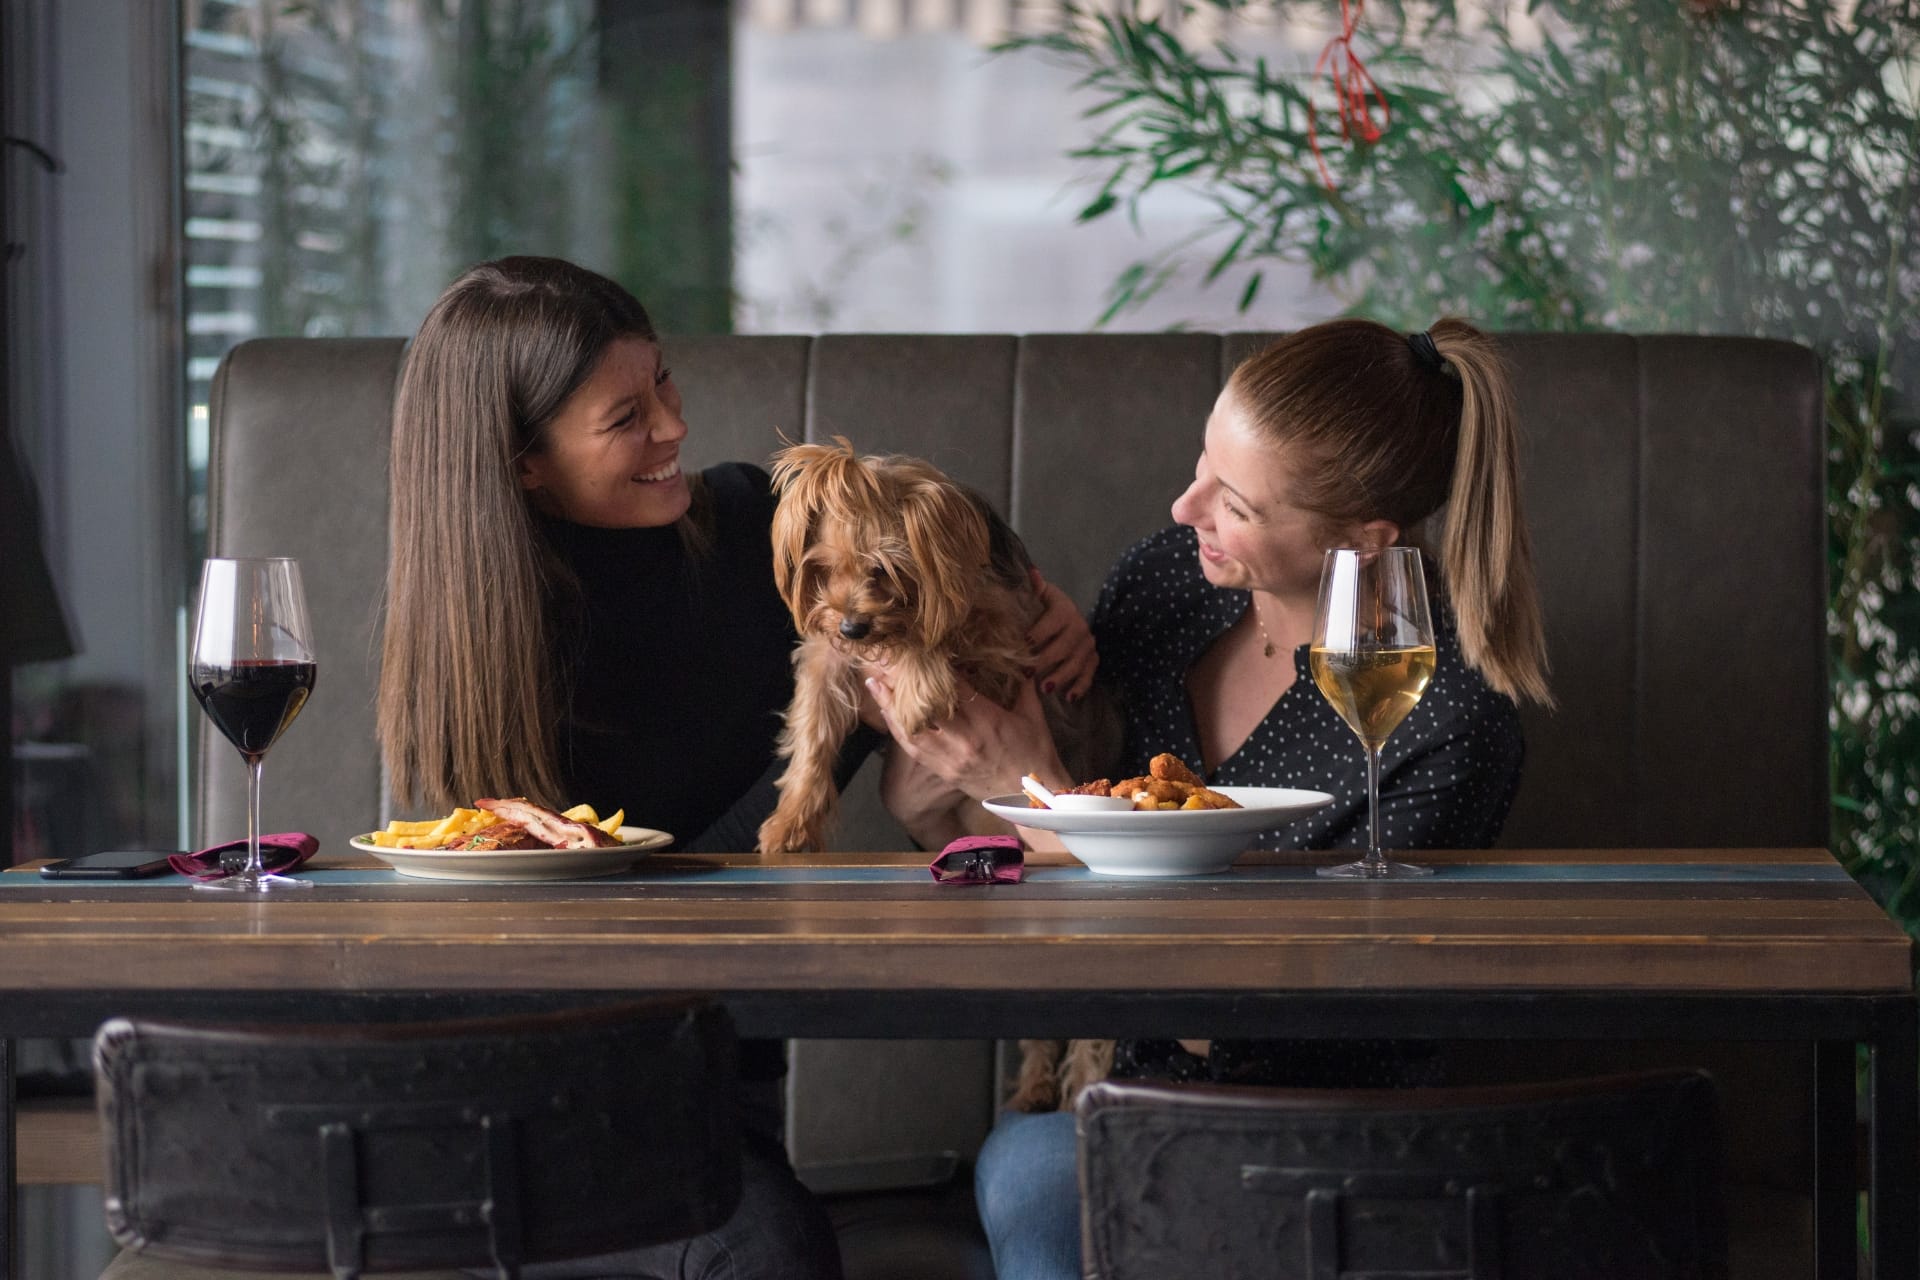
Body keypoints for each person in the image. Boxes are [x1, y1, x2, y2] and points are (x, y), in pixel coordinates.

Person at [376, 255, 1093, 1280]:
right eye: (626, 415)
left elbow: (935, 516)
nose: (673, 424)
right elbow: (600, 912)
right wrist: (847, 730)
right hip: (528, 1095)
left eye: (663, 381)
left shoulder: (765, 526)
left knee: (771, 1254)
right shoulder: (485, 647)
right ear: (525, 462)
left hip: (705, 1108)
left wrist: (1021, 593)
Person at [866, 318, 1552, 1280]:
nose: (1186, 507)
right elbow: (1028, 875)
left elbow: (1268, 1021)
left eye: (1234, 503)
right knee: (1030, 1167)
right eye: (1200, 465)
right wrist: (975, 733)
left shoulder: (1448, 720)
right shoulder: (1166, 584)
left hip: (1324, 1132)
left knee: (1038, 1176)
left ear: (1362, 541)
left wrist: (1037, 795)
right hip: (1115, 1103)